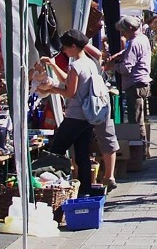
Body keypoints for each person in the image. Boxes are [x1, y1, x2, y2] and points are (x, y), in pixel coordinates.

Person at [42, 30, 119, 194]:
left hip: (75, 116)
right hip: (87, 118)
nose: (64, 50)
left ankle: (53, 187)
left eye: (65, 47)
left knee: (55, 151)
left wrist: (52, 89)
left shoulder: (76, 66)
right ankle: (84, 190)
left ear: (74, 46)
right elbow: (69, 80)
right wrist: (54, 65)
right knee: (82, 155)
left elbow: (70, 92)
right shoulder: (90, 63)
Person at [108, 16, 152, 136]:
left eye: (123, 31)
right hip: (143, 83)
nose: (122, 34)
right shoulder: (143, 38)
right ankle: (144, 150)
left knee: (136, 123)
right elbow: (134, 53)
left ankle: (139, 151)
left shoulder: (133, 43)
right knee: (141, 119)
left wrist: (112, 67)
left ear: (131, 28)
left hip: (134, 85)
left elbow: (126, 69)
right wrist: (119, 55)